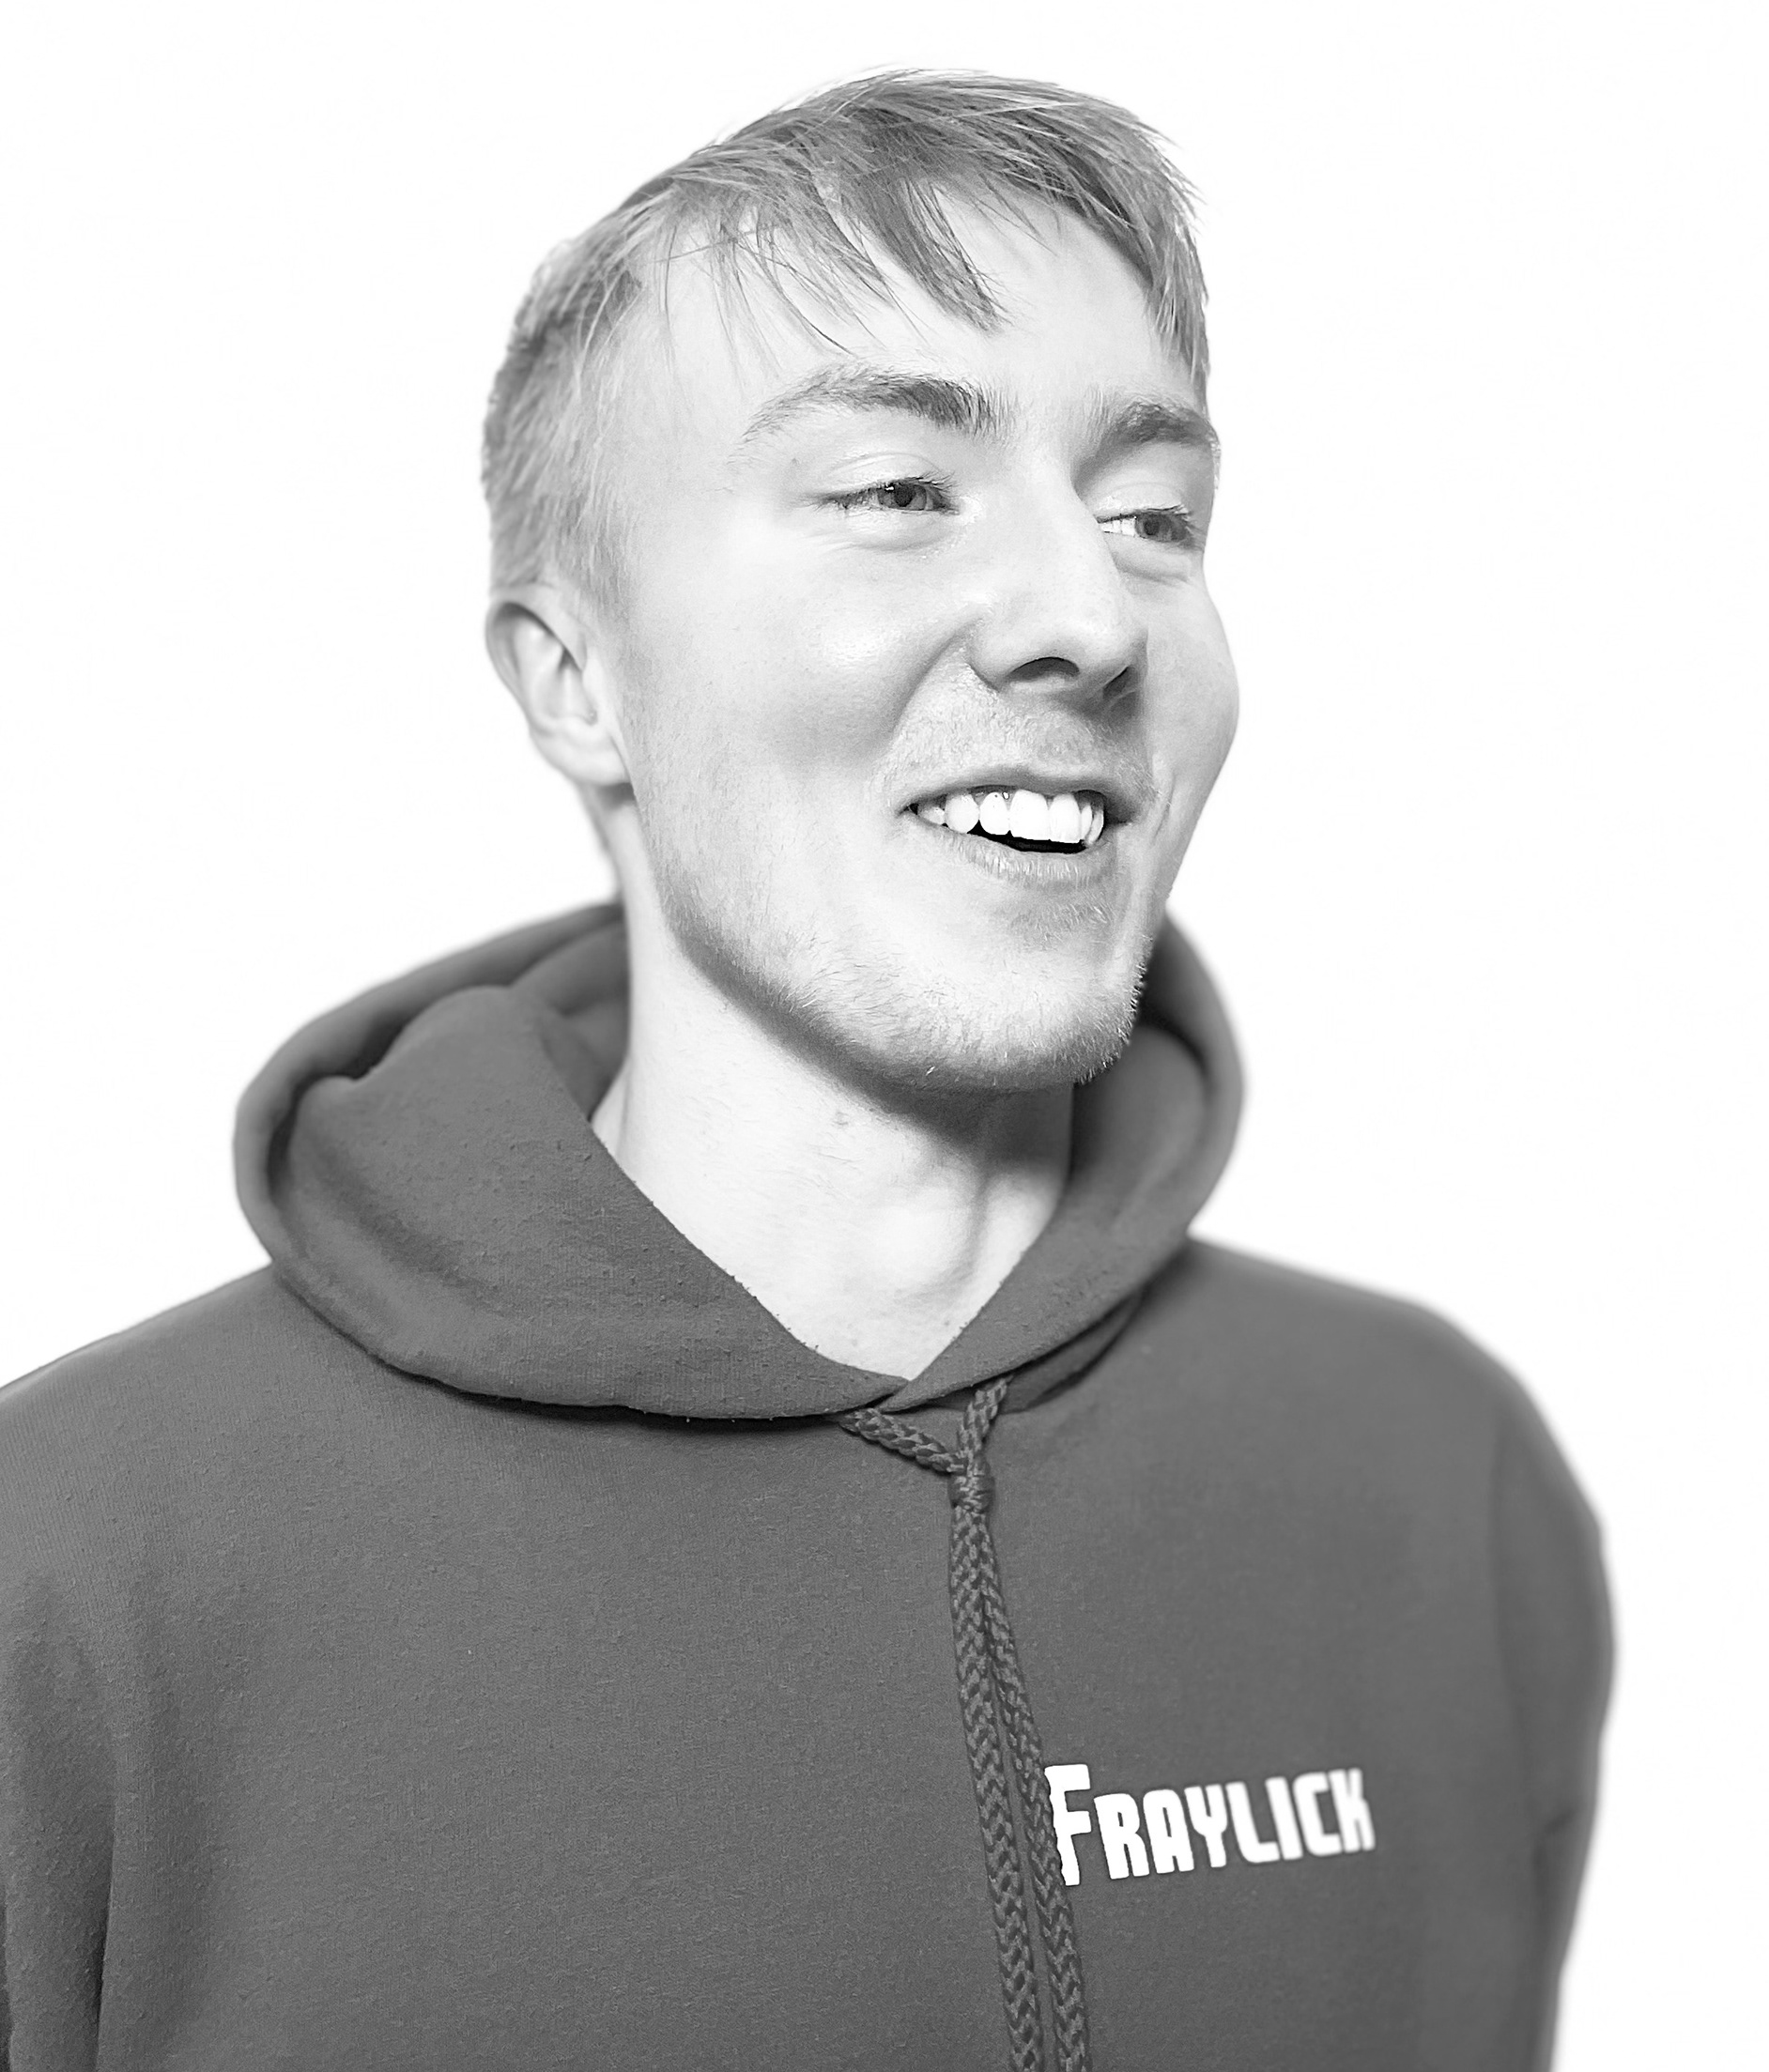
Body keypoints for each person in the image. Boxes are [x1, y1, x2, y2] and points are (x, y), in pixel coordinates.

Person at [0, 70, 1608, 2072]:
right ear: (576, 681)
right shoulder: (73, 1565)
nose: (1089, 616)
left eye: (1153, 519)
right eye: (898, 492)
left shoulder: (1436, 1482)